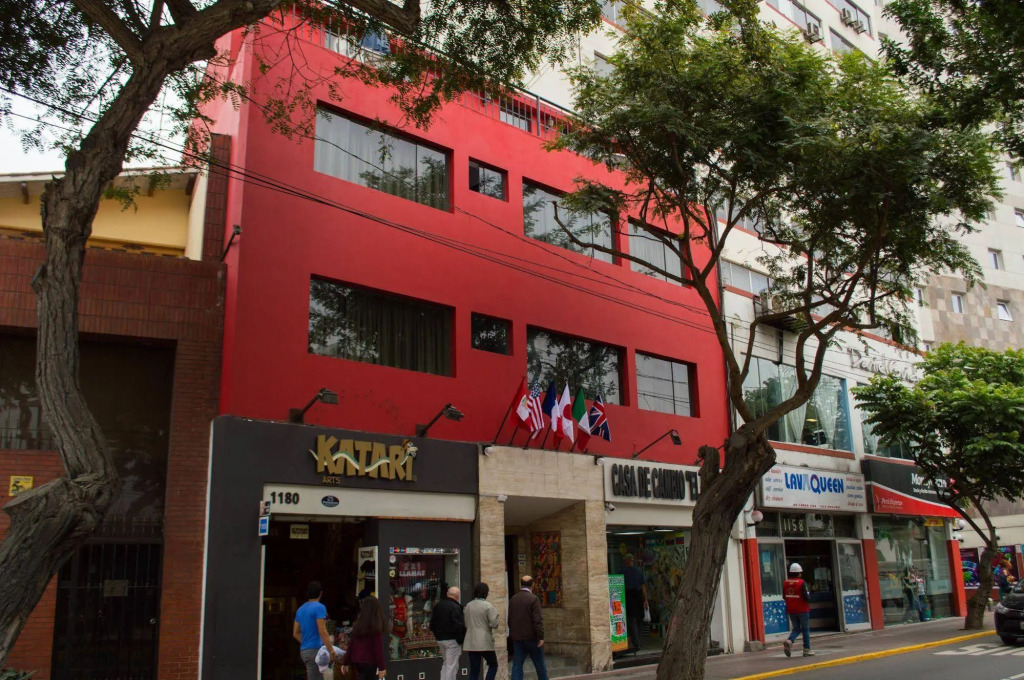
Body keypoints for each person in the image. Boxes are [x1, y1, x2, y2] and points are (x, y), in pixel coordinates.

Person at [294, 581, 338, 680]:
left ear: (307, 594)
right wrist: (331, 650)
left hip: (304, 651)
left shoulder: (300, 610)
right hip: (315, 651)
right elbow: (322, 631)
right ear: (321, 593)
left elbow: (295, 633)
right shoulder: (319, 607)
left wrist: (306, 642)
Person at [508, 575, 548, 680]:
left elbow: (510, 619)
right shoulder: (534, 599)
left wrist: (512, 634)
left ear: (520, 584)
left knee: (517, 665)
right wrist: (541, 636)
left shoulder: (513, 599)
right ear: (532, 585)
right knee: (540, 665)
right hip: (532, 637)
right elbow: (537, 620)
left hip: (518, 638)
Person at [340, 595, 388, 680]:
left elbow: (351, 645)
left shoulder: (358, 625)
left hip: (358, 661)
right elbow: (378, 649)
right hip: (370, 663)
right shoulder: (375, 626)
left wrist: (345, 662)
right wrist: (382, 667)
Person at [463, 583, 500, 680]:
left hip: (471, 640)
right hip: (484, 640)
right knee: (493, 665)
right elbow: (494, 623)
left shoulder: (468, 605)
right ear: (486, 593)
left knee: (474, 670)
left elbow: (466, 622)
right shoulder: (488, 606)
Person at [430, 586, 466, 680]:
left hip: (440, 639)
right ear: (457, 596)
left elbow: (432, 624)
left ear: (447, 594)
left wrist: (437, 635)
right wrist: (460, 639)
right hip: (452, 640)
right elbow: (458, 625)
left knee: (446, 663)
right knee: (451, 666)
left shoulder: (438, 605)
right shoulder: (456, 607)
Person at [782, 563, 813, 658]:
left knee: (796, 629)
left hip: (791, 610)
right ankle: (806, 650)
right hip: (802, 609)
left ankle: (790, 640)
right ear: (799, 573)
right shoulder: (801, 582)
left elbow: (784, 596)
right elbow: (807, 597)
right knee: (805, 629)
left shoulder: (785, 583)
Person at [621, 554, 648, 654]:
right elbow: (643, 587)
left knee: (632, 621)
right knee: (639, 620)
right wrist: (645, 600)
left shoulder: (622, 572)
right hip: (638, 597)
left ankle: (636, 643)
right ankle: (639, 641)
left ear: (626, 561)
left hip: (628, 597)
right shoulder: (639, 572)